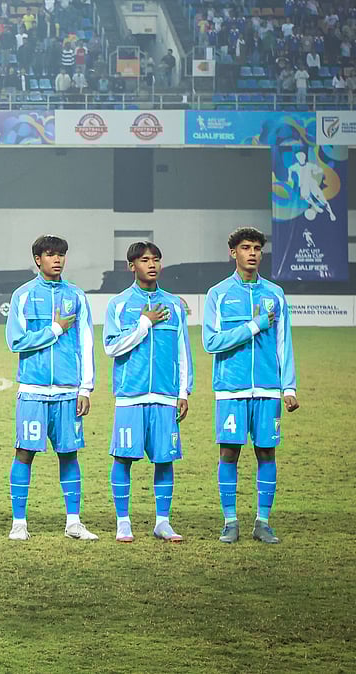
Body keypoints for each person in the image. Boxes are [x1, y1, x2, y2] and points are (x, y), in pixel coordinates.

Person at [203, 228, 298, 545]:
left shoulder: (275, 294)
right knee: (229, 452)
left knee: (267, 452)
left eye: (257, 248)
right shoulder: (218, 294)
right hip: (231, 389)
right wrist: (254, 326)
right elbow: (211, 342)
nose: (253, 253)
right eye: (246, 247)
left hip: (268, 389)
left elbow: (284, 342)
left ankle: (263, 522)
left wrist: (289, 387)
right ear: (233, 253)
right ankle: (230, 522)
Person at [5, 235, 98, 542]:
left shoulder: (76, 295)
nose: (57, 259)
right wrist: (55, 329)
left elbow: (86, 342)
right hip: (33, 389)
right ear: (38, 259)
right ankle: (19, 523)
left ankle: (74, 523)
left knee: (69, 454)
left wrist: (85, 388)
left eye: (61, 255)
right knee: (24, 453)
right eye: (50, 254)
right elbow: (15, 341)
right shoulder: (23, 295)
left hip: (68, 391)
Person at [102, 242, 193, 544]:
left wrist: (183, 391)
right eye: (144, 260)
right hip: (131, 395)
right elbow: (111, 347)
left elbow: (183, 350)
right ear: (132, 266)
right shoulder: (119, 304)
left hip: (165, 396)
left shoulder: (174, 305)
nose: (151, 265)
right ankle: (123, 522)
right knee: (123, 458)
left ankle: (162, 522)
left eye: (156, 259)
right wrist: (144, 324)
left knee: (165, 460)